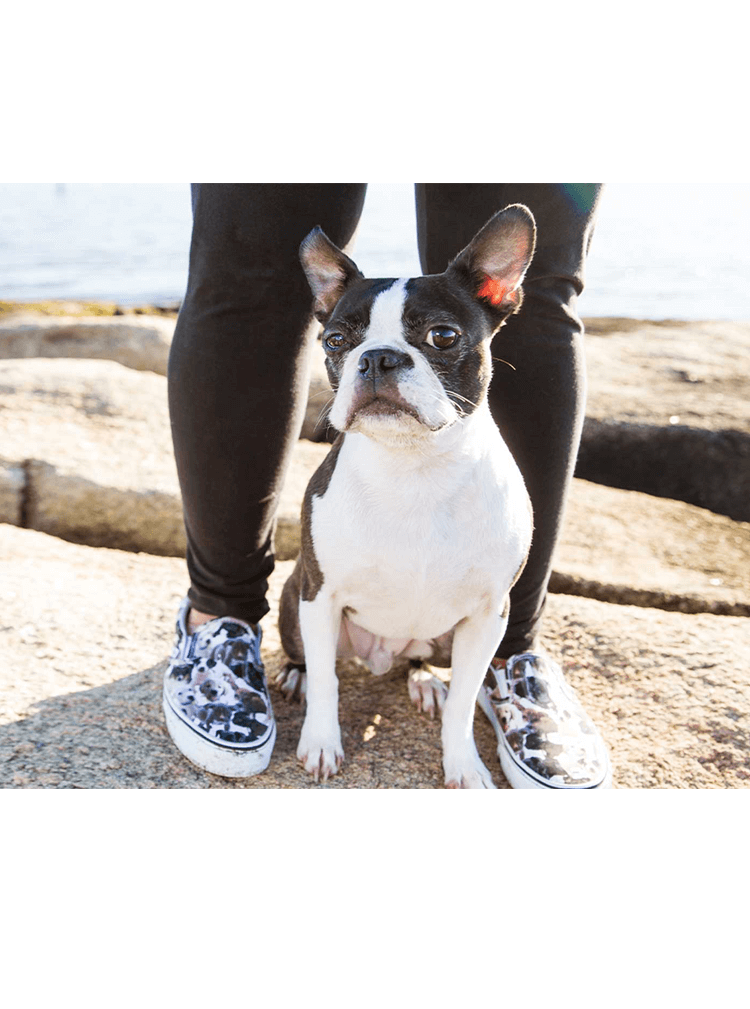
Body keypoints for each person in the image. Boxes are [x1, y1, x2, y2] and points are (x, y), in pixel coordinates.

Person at [162, 183, 611, 789]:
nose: (377, 365)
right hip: (347, 605)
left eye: (441, 338)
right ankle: (217, 619)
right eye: (343, 343)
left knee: (546, 289)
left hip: (462, 536)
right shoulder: (334, 494)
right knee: (246, 266)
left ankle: (510, 655)